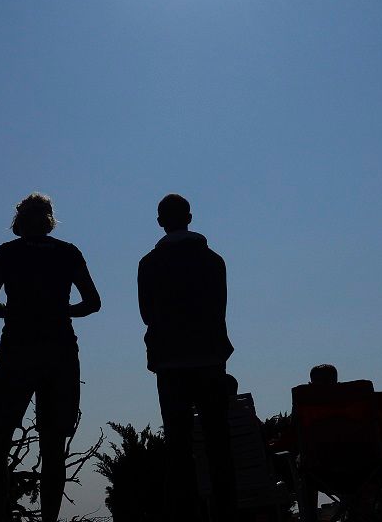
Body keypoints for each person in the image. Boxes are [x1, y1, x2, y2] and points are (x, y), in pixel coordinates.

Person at [0, 193, 101, 522]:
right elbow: (92, 301)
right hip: (59, 350)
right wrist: (62, 310)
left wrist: (15, 313)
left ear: (19, 221)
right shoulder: (67, 253)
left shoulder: (7, 253)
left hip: (17, 349)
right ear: (48, 220)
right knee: (52, 444)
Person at [138, 194, 234, 522]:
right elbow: (219, 308)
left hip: (169, 361)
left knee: (178, 448)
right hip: (209, 358)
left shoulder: (149, 264)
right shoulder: (213, 261)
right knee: (218, 443)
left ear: (160, 221)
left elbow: (147, 313)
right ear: (190, 217)